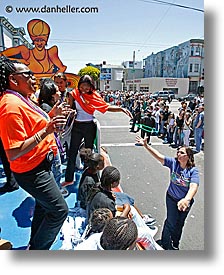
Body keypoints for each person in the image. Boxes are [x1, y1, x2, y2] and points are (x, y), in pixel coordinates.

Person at [0, 56, 69, 250]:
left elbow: (33, 123)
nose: (34, 78)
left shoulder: (21, 99)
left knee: (43, 206)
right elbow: (13, 151)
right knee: (59, 210)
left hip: (41, 165)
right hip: (33, 171)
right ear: (14, 80)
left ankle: (33, 245)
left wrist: (52, 115)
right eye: (28, 74)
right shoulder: (10, 106)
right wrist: (47, 130)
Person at [61, 75, 132, 187]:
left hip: (90, 126)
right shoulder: (73, 94)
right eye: (82, 87)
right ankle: (69, 178)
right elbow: (69, 109)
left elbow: (106, 107)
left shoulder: (95, 96)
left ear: (91, 87)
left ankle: (88, 179)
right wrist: (66, 112)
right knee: (73, 152)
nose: (84, 90)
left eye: (87, 88)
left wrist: (121, 109)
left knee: (89, 155)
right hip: (77, 126)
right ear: (78, 86)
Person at [135, 136, 200, 250]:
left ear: (188, 156)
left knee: (179, 223)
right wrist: (146, 145)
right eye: (178, 151)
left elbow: (194, 187)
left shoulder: (193, 171)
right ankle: (165, 244)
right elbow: (158, 156)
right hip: (171, 198)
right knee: (171, 221)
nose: (178, 153)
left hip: (184, 202)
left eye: (181, 152)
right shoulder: (173, 163)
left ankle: (175, 243)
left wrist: (186, 199)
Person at [0, 19, 67, 74]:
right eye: (37, 40)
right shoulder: (25, 52)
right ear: (33, 41)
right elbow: (1, 55)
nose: (39, 43)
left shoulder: (51, 52)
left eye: (42, 40)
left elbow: (62, 68)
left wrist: (52, 80)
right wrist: (19, 60)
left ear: (46, 41)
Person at [38, 79, 69, 196]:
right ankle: (57, 191)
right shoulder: (45, 107)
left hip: (51, 142)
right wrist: (58, 114)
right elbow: (50, 125)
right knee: (56, 168)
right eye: (57, 91)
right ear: (51, 94)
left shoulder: (48, 106)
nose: (60, 92)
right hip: (49, 145)